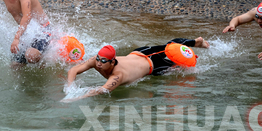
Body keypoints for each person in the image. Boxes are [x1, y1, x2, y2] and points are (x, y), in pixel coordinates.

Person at [63, 37, 210, 102]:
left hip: (154, 65)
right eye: (98, 59)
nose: (99, 63)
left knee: (171, 48)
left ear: (112, 62)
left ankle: (196, 42)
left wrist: (76, 98)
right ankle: (196, 43)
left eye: (103, 61)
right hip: (139, 52)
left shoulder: (118, 75)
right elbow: (73, 70)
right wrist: (70, 88)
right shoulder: (95, 61)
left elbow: (102, 90)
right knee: (169, 48)